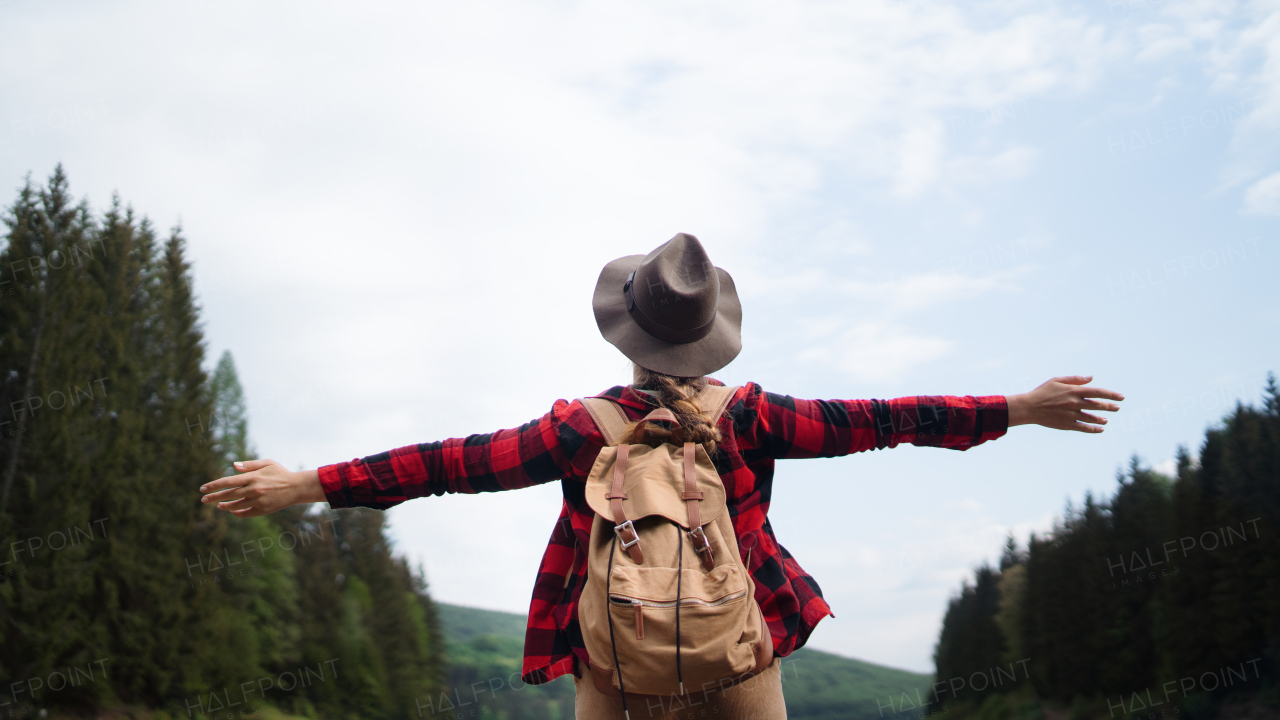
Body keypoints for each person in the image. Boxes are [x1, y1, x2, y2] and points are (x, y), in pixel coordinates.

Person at [199, 233, 1123, 719]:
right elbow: (885, 421)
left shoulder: (579, 428)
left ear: (626, 337)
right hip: (740, 653)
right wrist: (1016, 407)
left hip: (618, 668)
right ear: (710, 334)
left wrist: (307, 483)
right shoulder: (753, 416)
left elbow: (449, 466)